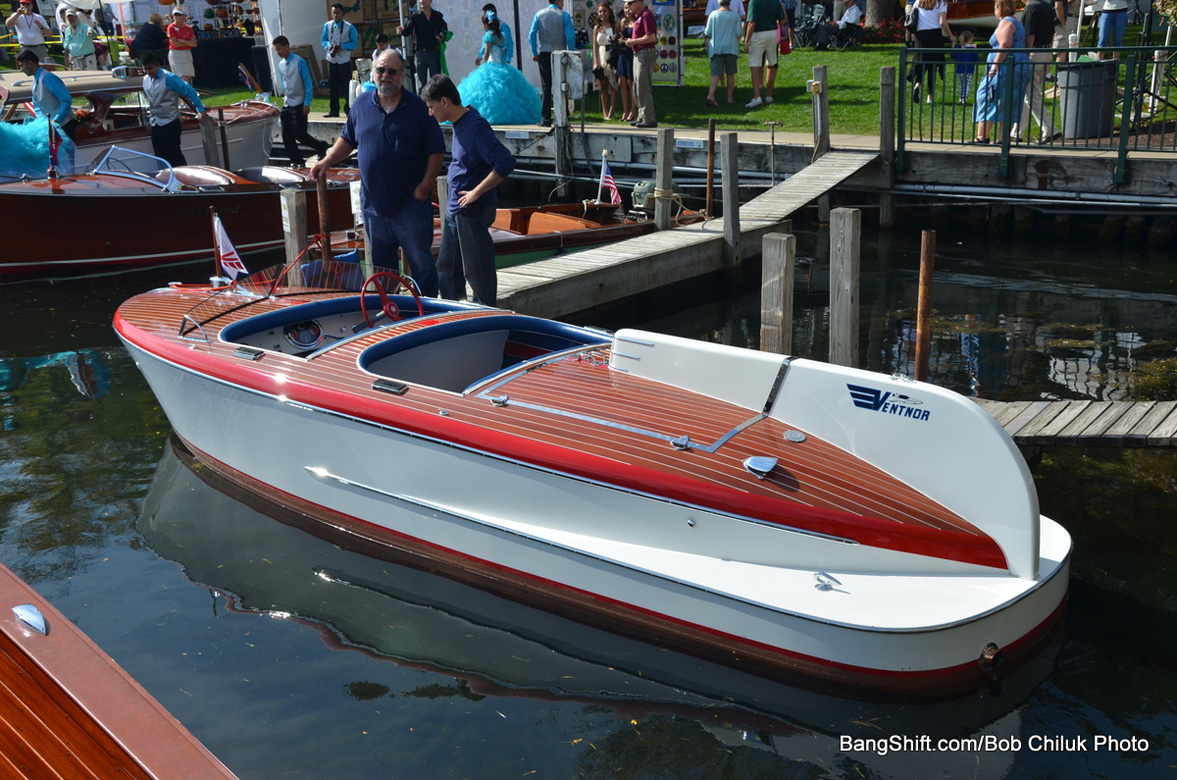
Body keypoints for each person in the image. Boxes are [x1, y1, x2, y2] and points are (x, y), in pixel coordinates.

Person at [310, 49, 444, 297]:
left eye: (392, 71)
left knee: (421, 264)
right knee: (382, 268)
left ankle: (427, 313)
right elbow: (347, 140)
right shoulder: (361, 104)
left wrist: (425, 185)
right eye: (380, 70)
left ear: (402, 75)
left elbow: (436, 151)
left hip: (410, 204)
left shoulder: (418, 108)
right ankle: (391, 311)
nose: (385, 76)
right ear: (373, 73)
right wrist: (327, 160)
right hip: (373, 206)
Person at [421, 74, 515, 306]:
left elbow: (505, 162)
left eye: (431, 107)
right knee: (446, 267)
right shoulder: (458, 123)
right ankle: (454, 314)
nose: (430, 113)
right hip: (455, 209)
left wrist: (477, 192)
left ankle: (486, 316)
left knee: (476, 271)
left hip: (473, 209)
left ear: (444, 102)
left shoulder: (475, 126)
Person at [458, 8, 541, 124]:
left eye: (483, 24)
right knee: (508, 93)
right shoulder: (502, 36)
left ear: (487, 25)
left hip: (491, 65)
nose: (483, 27)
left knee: (486, 93)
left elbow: (486, 55)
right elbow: (504, 51)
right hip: (502, 65)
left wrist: (482, 65)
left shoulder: (488, 36)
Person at [973, 0, 1030, 144]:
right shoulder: (1018, 23)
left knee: (987, 97)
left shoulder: (1006, 23)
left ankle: (982, 137)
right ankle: (1003, 139)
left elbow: (1005, 44)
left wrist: (994, 66)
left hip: (1005, 67)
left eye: (995, 7)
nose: (994, 10)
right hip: (1019, 65)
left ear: (1000, 7)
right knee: (1009, 100)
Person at [273, 35, 331, 166]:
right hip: (288, 102)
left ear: (287, 46)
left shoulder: (299, 62)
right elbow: (284, 81)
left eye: (280, 49)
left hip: (299, 102)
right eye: (276, 50)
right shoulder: (281, 64)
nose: (278, 52)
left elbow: (307, 83)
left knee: (300, 133)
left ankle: (321, 146)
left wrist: (307, 102)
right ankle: (296, 160)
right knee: (286, 135)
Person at [140, 51, 205, 166]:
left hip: (170, 123)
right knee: (160, 157)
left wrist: (200, 110)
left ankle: (182, 180)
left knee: (174, 155)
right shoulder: (145, 79)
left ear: (157, 66)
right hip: (155, 123)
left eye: (150, 69)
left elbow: (189, 91)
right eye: (145, 69)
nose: (148, 72)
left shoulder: (169, 77)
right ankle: (166, 180)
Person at [1014, 0, 1059, 143]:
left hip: (1034, 53)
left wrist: (1025, 55)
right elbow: (1052, 33)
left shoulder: (1030, 8)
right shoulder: (1046, 5)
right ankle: (1016, 133)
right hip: (1046, 51)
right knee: (1029, 95)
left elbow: (1030, 35)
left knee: (1031, 96)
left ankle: (1051, 130)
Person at [529, 0, 575, 127]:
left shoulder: (539, 14)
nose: (564, 4)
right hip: (560, 52)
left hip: (544, 52)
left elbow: (532, 34)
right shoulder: (564, 15)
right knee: (561, 84)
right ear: (558, 1)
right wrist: (570, 52)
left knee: (546, 86)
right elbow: (570, 36)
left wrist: (534, 52)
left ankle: (545, 118)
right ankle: (564, 115)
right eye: (562, 1)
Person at [15, 48, 76, 140]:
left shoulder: (48, 78)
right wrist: (42, 123)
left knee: (66, 154)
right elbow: (37, 106)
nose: (21, 69)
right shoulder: (34, 82)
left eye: (22, 66)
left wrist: (56, 120)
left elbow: (66, 100)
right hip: (51, 127)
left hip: (65, 125)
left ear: (31, 63)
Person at [910, 0, 956, 105]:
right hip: (934, 35)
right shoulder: (941, 4)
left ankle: (917, 84)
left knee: (921, 63)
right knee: (933, 66)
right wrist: (950, 35)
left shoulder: (918, 2)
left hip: (920, 35)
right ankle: (929, 97)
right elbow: (942, 22)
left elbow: (913, 16)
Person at [619, 0, 656, 127]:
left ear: (639, 3)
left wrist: (633, 41)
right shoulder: (639, 16)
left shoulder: (646, 15)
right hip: (638, 53)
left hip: (645, 53)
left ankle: (649, 118)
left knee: (643, 85)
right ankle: (641, 116)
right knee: (636, 86)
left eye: (631, 3)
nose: (628, 6)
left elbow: (651, 37)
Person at [742, 0, 785, 108]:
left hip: (758, 34)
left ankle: (757, 97)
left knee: (755, 65)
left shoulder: (754, 2)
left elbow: (751, 23)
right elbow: (783, 20)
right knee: (772, 63)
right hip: (772, 33)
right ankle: (769, 95)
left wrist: (746, 41)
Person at [397, 0, 448, 89]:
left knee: (436, 82)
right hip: (420, 53)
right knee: (421, 82)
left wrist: (441, 36)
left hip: (434, 52)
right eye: (420, 0)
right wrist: (401, 31)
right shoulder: (415, 17)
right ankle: (421, 102)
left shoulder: (437, 16)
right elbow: (407, 30)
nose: (422, 1)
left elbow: (444, 30)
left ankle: (436, 101)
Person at [321, 3, 358, 117]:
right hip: (331, 59)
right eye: (333, 13)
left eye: (337, 13)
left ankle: (349, 109)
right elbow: (323, 40)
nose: (335, 15)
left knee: (346, 85)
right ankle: (334, 110)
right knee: (333, 85)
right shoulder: (327, 25)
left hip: (344, 59)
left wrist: (343, 47)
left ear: (342, 13)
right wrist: (329, 46)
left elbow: (354, 43)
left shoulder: (349, 27)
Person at [703, 0, 741, 106]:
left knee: (716, 74)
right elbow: (739, 32)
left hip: (716, 47)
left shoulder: (713, 14)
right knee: (730, 73)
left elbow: (707, 32)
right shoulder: (735, 15)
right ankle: (730, 98)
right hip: (731, 47)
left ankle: (710, 95)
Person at [592, 3, 618, 119]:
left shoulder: (615, 26)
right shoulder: (597, 28)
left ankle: (612, 110)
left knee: (613, 84)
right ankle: (605, 112)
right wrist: (596, 62)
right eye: (600, 12)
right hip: (601, 56)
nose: (602, 14)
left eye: (605, 11)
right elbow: (595, 47)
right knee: (603, 85)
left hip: (612, 56)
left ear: (610, 12)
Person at [615, 3, 635, 121]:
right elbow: (620, 37)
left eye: (629, 7)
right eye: (625, 8)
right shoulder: (624, 22)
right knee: (621, 81)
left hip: (632, 53)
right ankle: (625, 110)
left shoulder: (637, 22)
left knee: (631, 82)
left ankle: (633, 110)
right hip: (623, 53)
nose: (627, 10)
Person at [167, 8, 197, 84]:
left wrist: (183, 41)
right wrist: (188, 42)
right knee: (182, 77)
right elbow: (175, 44)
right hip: (176, 54)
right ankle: (185, 94)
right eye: (175, 15)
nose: (177, 17)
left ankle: (187, 93)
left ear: (183, 16)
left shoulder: (188, 28)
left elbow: (194, 43)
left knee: (187, 76)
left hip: (186, 53)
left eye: (179, 15)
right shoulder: (171, 27)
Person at [950, 29, 979, 105]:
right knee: (967, 84)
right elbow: (977, 59)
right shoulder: (972, 50)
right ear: (970, 39)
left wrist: (953, 46)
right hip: (969, 70)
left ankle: (961, 98)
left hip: (959, 69)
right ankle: (964, 98)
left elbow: (952, 56)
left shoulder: (959, 48)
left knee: (962, 84)